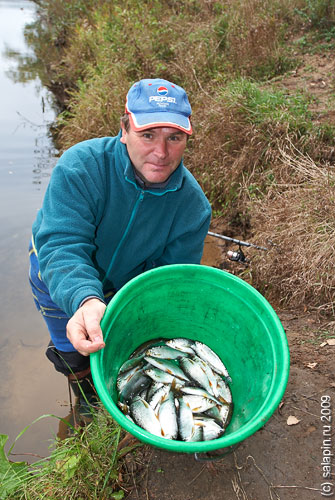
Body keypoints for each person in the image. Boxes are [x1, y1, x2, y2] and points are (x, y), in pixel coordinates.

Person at [28, 78, 212, 414]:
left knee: (119, 345)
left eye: (174, 138)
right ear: (124, 129)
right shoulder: (81, 166)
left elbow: (167, 283)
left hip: (123, 286)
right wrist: (85, 299)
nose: (161, 152)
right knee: (73, 350)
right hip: (57, 276)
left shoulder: (193, 209)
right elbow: (63, 243)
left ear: (187, 137)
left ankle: (113, 393)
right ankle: (83, 395)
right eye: (147, 135)